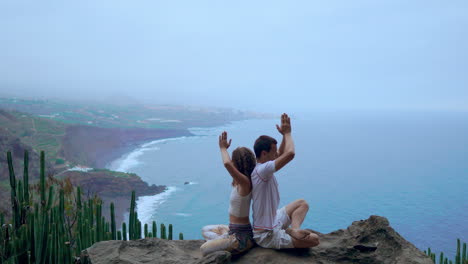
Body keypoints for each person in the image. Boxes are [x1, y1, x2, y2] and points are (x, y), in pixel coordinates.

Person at [251, 113, 320, 249]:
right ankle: (290, 233)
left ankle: (294, 230)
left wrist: (283, 136)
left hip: (274, 220)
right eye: (273, 152)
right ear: (264, 153)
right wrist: (288, 134)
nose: (276, 155)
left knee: (302, 203)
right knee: (314, 240)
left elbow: (281, 154)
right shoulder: (262, 170)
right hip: (266, 234)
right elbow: (290, 154)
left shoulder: (261, 167)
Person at [200, 131, 256, 256]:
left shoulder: (245, 183)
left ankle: (238, 245)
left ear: (237, 163)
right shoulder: (239, 181)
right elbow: (229, 164)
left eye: (233, 160)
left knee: (204, 249)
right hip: (233, 229)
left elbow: (226, 163)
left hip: (241, 236)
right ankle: (224, 241)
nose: (231, 162)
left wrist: (223, 148)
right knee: (205, 229)